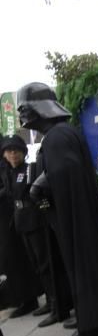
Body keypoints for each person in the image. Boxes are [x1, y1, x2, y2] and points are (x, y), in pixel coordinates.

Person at [16, 82, 98, 336]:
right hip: (77, 216)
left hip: (75, 219)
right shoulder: (61, 134)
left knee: (84, 265)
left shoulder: (57, 137)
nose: (22, 117)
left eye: (25, 110)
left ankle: (93, 325)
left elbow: (65, 174)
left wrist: (42, 185)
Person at [0, 134, 57, 325]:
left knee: (44, 261)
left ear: (23, 152)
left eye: (16, 151)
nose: (12, 155)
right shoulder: (7, 173)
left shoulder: (30, 169)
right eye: (8, 151)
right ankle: (49, 300)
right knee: (35, 262)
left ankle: (55, 301)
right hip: (20, 222)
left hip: (34, 219)